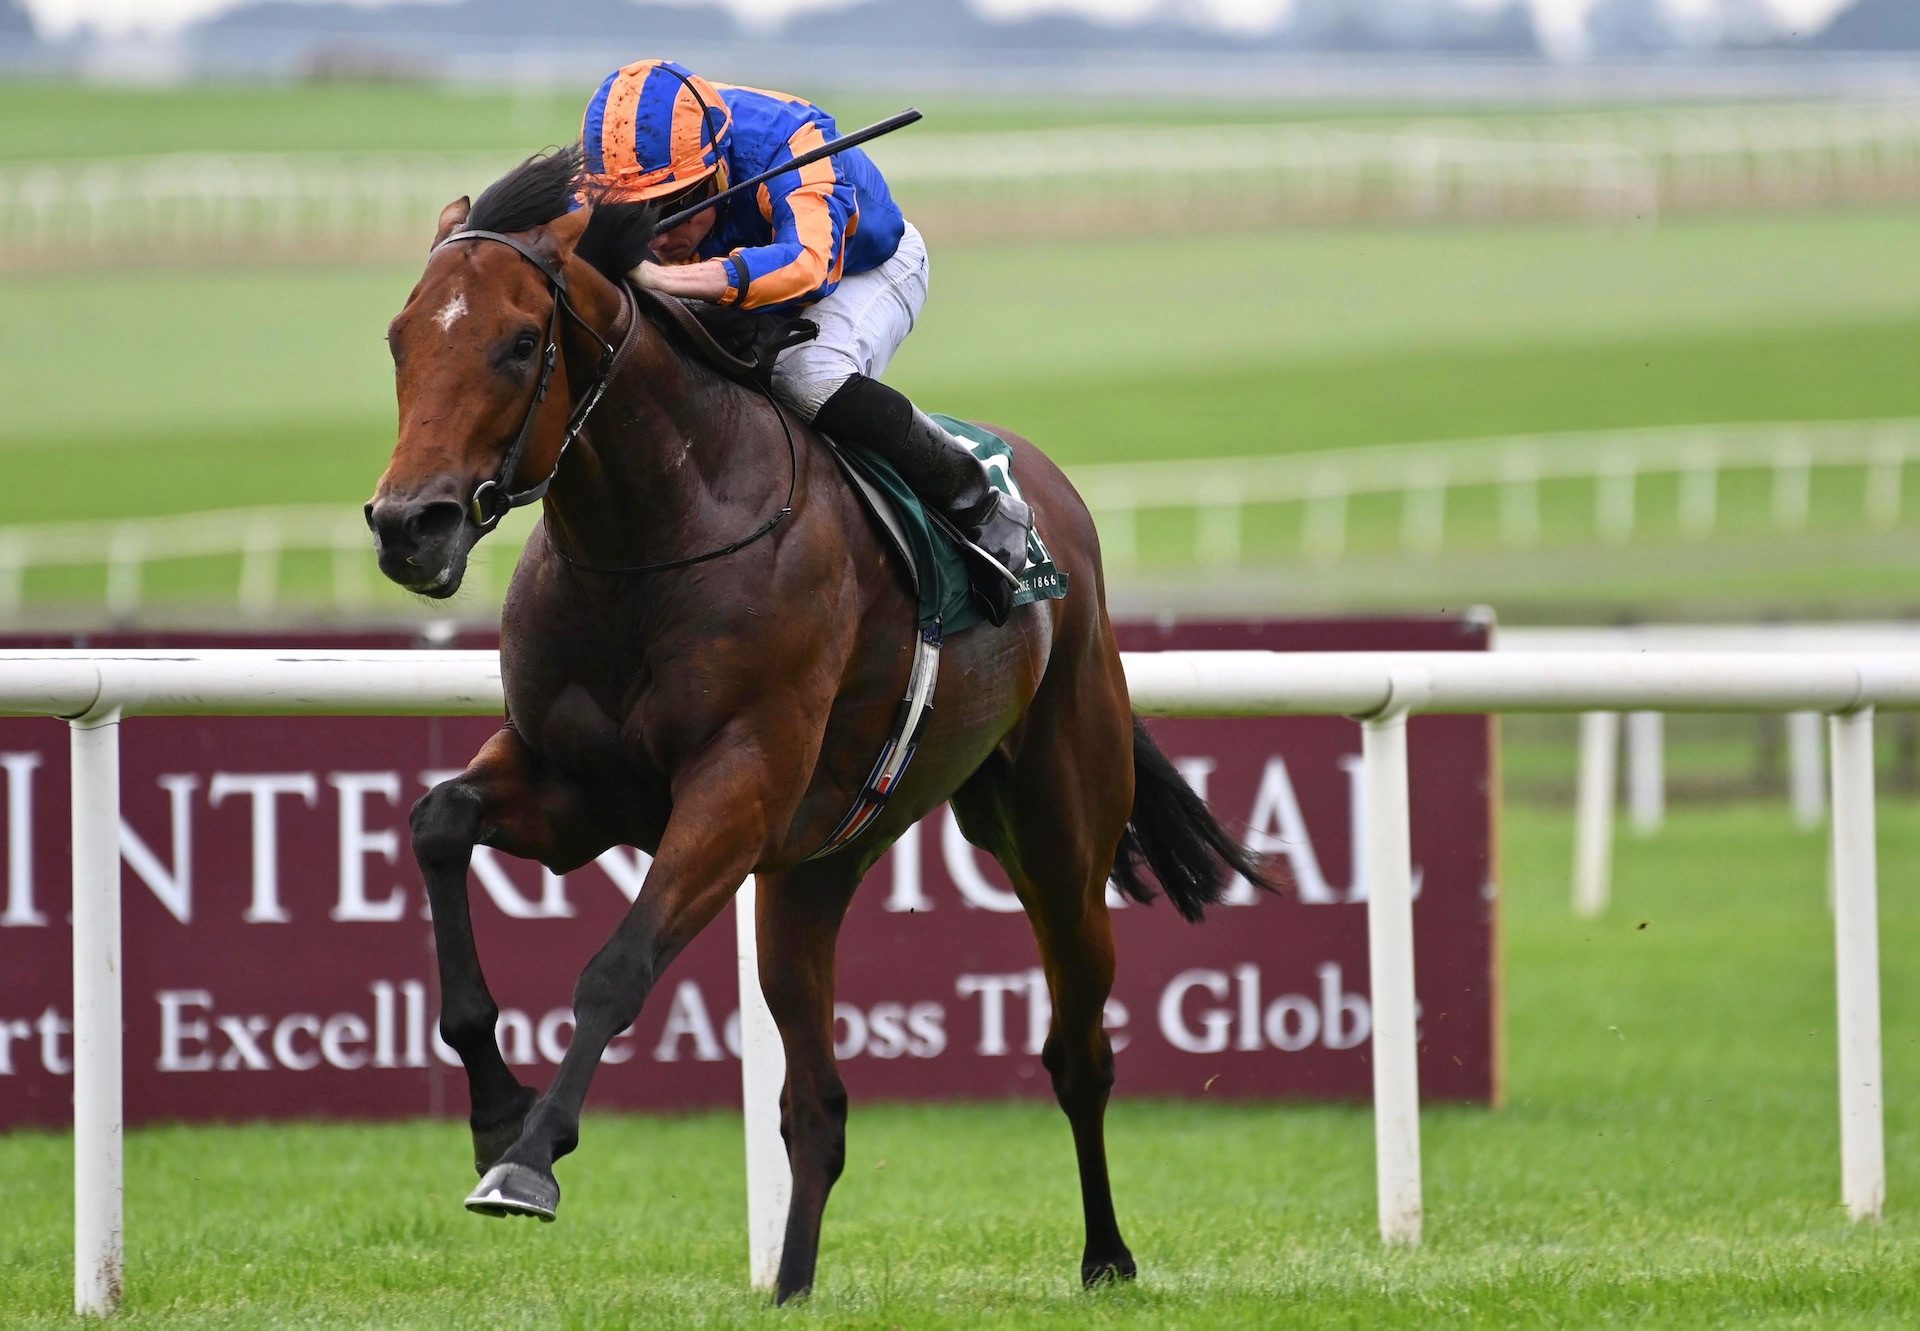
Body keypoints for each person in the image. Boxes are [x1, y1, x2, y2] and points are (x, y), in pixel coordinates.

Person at [578, 59, 1034, 625]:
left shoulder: (790, 140)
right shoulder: (616, 169)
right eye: (634, 215)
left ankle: (979, 504)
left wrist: (664, 279)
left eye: (675, 207)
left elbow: (805, 265)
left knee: (806, 375)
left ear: (719, 165)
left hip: (862, 268)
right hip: (735, 276)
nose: (659, 236)